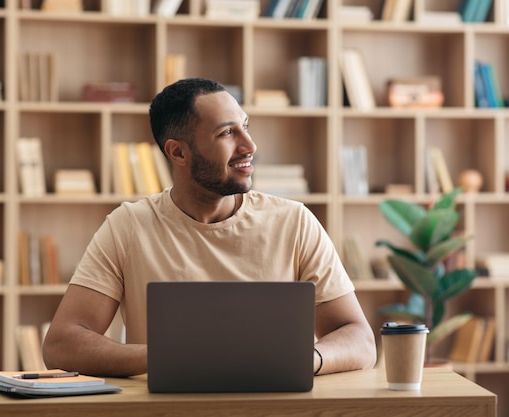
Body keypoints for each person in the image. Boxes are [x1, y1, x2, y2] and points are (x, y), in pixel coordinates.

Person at [42, 77, 377, 377]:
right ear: (178, 153)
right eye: (227, 133)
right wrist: (168, 358)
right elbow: (61, 345)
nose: (249, 146)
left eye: (245, 126)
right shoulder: (128, 227)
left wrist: (310, 358)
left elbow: (360, 339)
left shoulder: (295, 222)